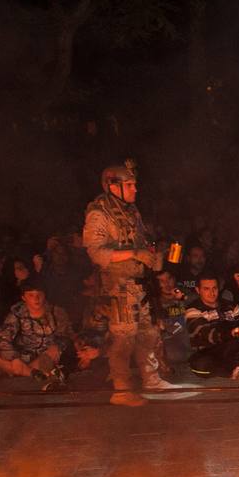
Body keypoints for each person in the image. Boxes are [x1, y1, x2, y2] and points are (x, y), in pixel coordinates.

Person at [82, 163, 181, 406]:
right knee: (123, 338)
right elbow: (96, 252)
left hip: (140, 284)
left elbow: (140, 242)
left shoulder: (131, 211)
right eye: (129, 185)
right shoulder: (99, 213)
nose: (135, 189)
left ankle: (151, 378)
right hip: (119, 286)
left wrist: (153, 253)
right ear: (113, 186)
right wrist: (134, 253)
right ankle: (122, 389)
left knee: (148, 333)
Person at [0, 279, 97, 389]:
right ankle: (28, 372)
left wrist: (57, 346)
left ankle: (19, 372)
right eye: (31, 295)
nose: (36, 299)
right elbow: (3, 337)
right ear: (24, 298)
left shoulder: (57, 312)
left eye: (39, 295)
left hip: (47, 356)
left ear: (44, 295)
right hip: (23, 355)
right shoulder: (17, 314)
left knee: (48, 357)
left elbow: (66, 334)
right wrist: (14, 358)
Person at [185, 275, 239, 379]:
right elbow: (207, 334)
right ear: (198, 290)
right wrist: (236, 331)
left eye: (214, 288)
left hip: (231, 347)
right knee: (201, 366)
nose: (212, 293)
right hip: (209, 351)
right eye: (206, 289)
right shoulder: (192, 310)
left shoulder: (230, 305)